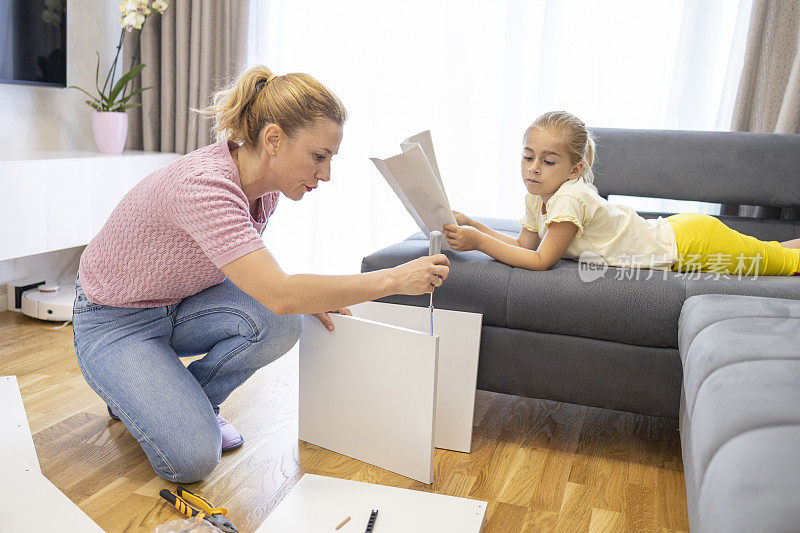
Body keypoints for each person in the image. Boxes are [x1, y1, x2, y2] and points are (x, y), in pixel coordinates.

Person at [72, 66, 450, 483]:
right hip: (114, 321)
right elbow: (279, 291)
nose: (326, 174)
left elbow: (266, 283)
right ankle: (139, 396)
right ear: (273, 140)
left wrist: (311, 297)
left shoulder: (265, 191)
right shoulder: (204, 187)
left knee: (283, 321)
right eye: (319, 157)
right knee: (194, 460)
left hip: (179, 305)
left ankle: (182, 400)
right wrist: (394, 280)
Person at [444, 111, 800, 276]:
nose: (533, 168)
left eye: (548, 161)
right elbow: (524, 245)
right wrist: (472, 225)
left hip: (691, 244)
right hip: (678, 233)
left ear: (574, 169)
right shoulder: (538, 195)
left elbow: (540, 260)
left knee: (784, 265)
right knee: (771, 252)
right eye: (527, 156)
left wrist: (477, 241)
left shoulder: (570, 198)